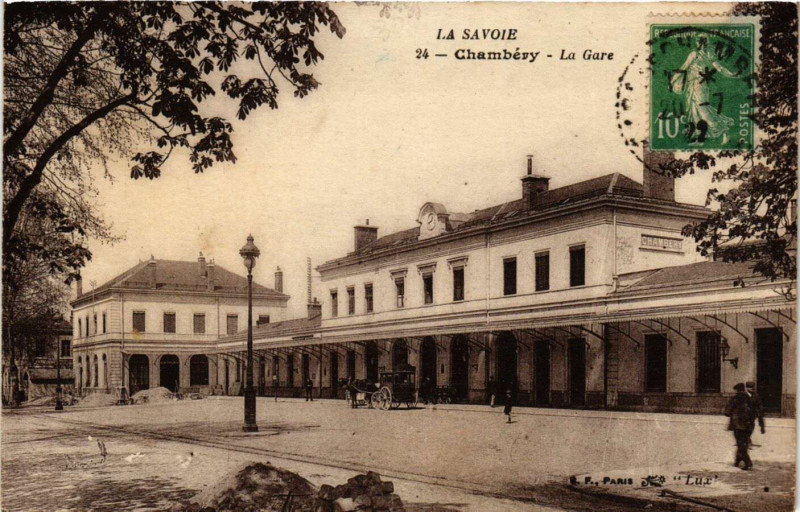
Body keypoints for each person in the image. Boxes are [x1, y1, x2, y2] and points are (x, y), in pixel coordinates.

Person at [672, 36, 738, 145]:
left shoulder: (695, 54)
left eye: (698, 41)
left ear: (701, 43)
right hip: (694, 85)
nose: (696, 43)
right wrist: (730, 74)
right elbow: (720, 68)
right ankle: (700, 139)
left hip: (698, 85)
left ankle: (724, 131)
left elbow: (684, 66)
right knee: (695, 111)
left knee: (702, 109)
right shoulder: (708, 54)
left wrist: (673, 80)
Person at [725, 383, 754, 470]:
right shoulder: (750, 398)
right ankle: (737, 461)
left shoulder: (735, 399)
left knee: (740, 444)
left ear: (737, 390)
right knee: (743, 443)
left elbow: (727, 412)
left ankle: (747, 461)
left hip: (738, 425)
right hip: (748, 425)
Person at [745, 381, 766, 446]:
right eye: (750, 387)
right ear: (747, 388)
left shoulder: (756, 395)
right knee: (745, 427)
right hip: (744, 415)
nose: (752, 388)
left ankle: (747, 439)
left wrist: (759, 410)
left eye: (752, 387)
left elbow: (759, 404)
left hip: (752, 414)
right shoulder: (743, 395)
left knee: (751, 427)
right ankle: (747, 440)